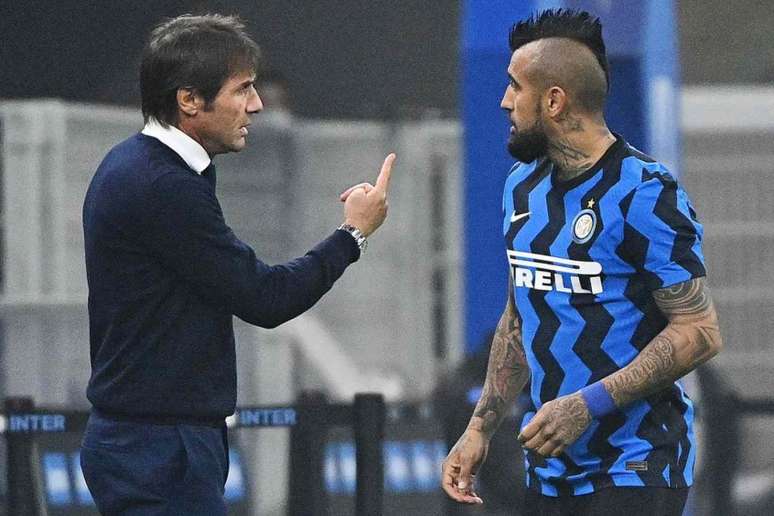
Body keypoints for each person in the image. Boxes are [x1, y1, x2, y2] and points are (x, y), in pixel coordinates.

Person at [80, 14, 394, 515]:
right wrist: (352, 234)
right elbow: (265, 298)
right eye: (242, 89)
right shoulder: (164, 186)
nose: (257, 104)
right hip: (158, 448)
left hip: (153, 441)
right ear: (189, 100)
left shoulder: (143, 166)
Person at [441, 9, 722, 516]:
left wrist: (585, 405)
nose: (504, 101)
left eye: (514, 87)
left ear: (554, 100)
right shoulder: (520, 186)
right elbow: (519, 316)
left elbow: (699, 331)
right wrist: (480, 428)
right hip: (551, 471)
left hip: (637, 463)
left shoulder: (646, 191)